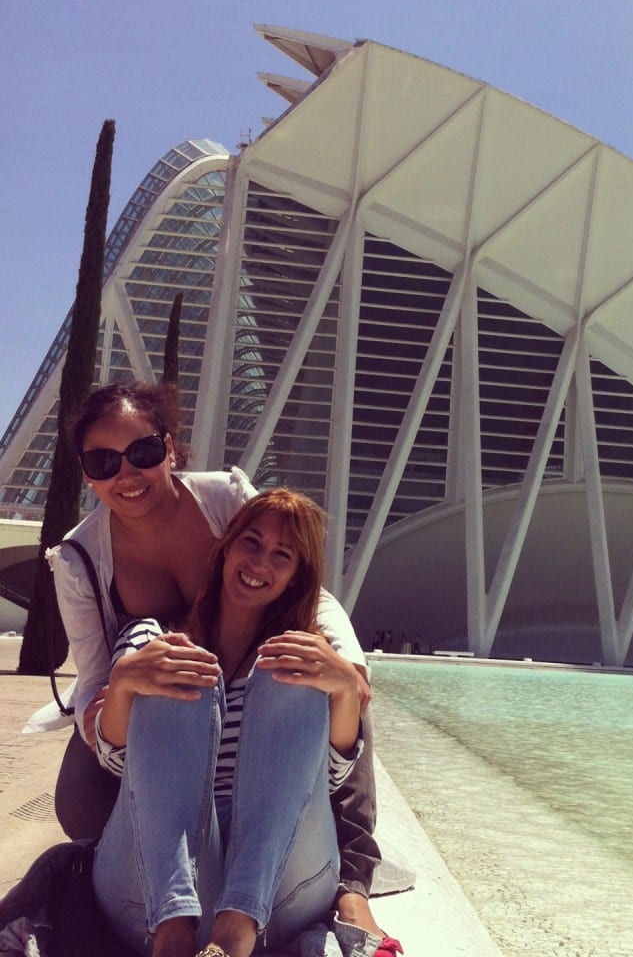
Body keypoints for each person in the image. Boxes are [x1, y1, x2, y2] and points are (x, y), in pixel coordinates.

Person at [47, 381, 397, 953]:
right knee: (165, 673)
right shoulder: (84, 562)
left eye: (142, 452)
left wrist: (344, 674)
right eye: (103, 461)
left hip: (274, 876)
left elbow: (314, 589)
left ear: (169, 446)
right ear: (85, 472)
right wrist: (125, 684)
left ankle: (300, 900)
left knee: (308, 668)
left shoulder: (224, 500)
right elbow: (93, 686)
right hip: (162, 785)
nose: (127, 473)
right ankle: (175, 929)